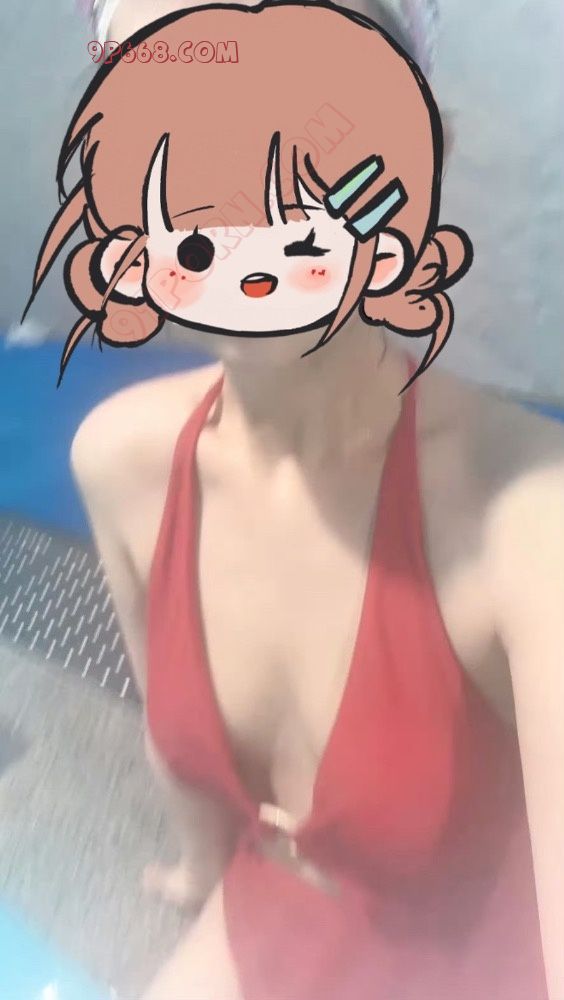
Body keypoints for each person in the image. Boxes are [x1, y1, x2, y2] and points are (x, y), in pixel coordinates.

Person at [24, 1, 564, 997]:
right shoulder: (123, 459)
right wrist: (201, 875)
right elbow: (179, 752)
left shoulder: (528, 521)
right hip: (275, 904)